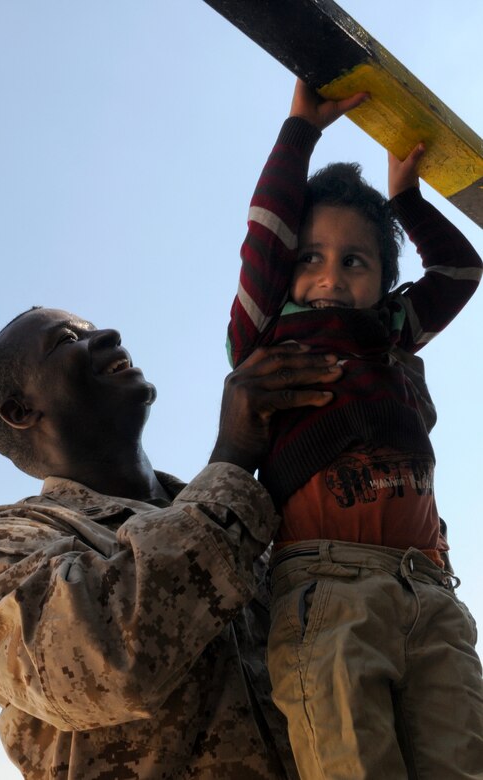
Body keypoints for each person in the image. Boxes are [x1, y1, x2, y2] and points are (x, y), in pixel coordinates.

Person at [0, 306, 343, 779]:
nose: (108, 333)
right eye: (67, 339)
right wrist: (232, 459)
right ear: (20, 411)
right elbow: (104, 661)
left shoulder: (244, 519)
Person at [227, 79, 483, 778]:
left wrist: (407, 204)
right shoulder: (268, 334)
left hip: (428, 590)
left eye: (355, 261)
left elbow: (461, 269)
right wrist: (299, 134)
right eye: (310, 259)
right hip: (327, 595)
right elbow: (266, 235)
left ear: (382, 282)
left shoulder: (392, 335)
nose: (330, 277)